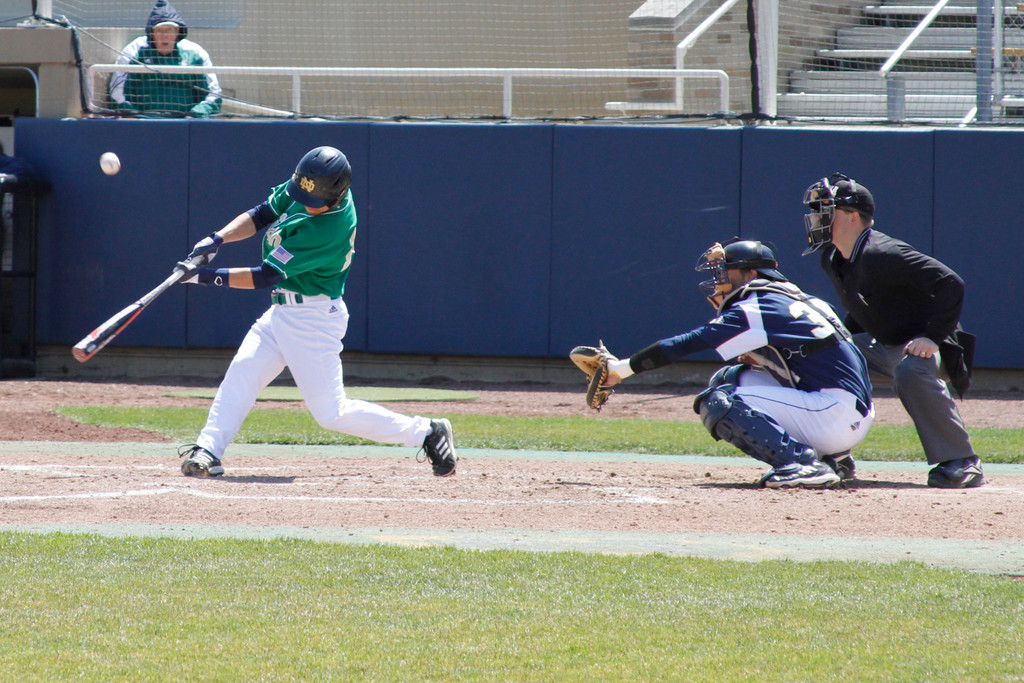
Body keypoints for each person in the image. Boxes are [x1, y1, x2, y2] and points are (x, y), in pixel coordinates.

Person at [174, 145, 457, 478]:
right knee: (243, 373)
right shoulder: (309, 185)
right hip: (282, 312)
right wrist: (216, 239)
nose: (306, 204)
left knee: (331, 413)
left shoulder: (329, 230)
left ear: (335, 196)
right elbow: (263, 213)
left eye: (314, 202)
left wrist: (203, 277)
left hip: (312, 319)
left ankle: (426, 432)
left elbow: (265, 275)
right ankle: (209, 450)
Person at [589, 238, 874, 489]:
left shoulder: (758, 306)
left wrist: (622, 369)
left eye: (727, 271)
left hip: (834, 415)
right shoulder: (801, 299)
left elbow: (690, 342)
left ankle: (803, 464)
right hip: (847, 410)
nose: (720, 279)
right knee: (732, 378)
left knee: (720, 401)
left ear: (751, 273)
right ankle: (835, 458)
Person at [802, 172, 983, 489]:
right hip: (884, 344)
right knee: (819, 359)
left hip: (930, 345)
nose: (819, 218)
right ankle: (835, 454)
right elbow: (862, 308)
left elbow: (951, 283)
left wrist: (932, 336)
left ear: (854, 217)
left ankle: (962, 461)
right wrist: (840, 347)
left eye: (827, 211)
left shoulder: (884, 252)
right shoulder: (832, 257)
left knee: (909, 371)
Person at [109, 0, 222, 117]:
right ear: (152, 33)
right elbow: (117, 93)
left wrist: (194, 116)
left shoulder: (195, 53)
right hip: (142, 124)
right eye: (160, 31)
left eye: (170, 30)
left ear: (178, 32)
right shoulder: (134, 52)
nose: (165, 36)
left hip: (186, 125)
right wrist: (135, 116)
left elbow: (214, 95)